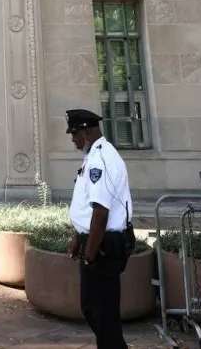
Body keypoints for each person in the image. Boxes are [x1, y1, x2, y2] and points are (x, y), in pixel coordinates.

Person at [65, 108, 133, 349]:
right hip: (94, 241)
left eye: (74, 134)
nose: (72, 140)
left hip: (104, 246)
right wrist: (78, 238)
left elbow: (101, 212)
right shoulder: (93, 155)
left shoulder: (100, 160)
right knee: (92, 309)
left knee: (103, 314)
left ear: (85, 132)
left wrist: (91, 254)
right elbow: (86, 204)